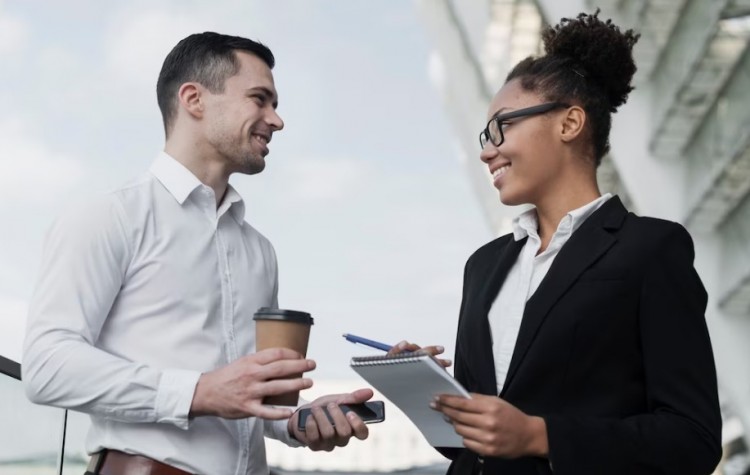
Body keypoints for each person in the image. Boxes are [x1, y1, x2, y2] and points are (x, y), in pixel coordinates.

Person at [23, 32, 373, 475]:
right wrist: (198, 391)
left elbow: (243, 393)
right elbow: (47, 366)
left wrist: (299, 420)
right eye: (260, 99)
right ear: (194, 99)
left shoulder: (259, 250)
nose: (277, 120)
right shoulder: (109, 216)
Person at [402, 11, 722, 475]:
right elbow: (472, 448)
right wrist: (427, 389)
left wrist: (540, 436)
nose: (486, 150)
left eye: (501, 128)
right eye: (483, 135)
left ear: (570, 123)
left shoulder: (650, 249)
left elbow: (692, 439)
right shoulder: (485, 265)